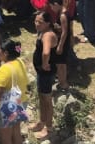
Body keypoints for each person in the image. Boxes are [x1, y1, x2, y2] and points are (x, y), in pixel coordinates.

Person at [0, 41, 29, 144]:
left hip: (6, 106)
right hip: (19, 102)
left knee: (5, 135)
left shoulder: (4, 70)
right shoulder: (19, 62)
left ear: (5, 53)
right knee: (16, 132)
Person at [30, 12, 57, 141]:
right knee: (41, 96)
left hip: (46, 73)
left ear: (47, 23)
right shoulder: (42, 32)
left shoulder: (47, 35)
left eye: (40, 22)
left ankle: (49, 127)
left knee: (47, 99)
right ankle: (42, 121)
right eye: (36, 21)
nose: (36, 24)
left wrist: (45, 64)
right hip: (41, 72)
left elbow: (46, 52)